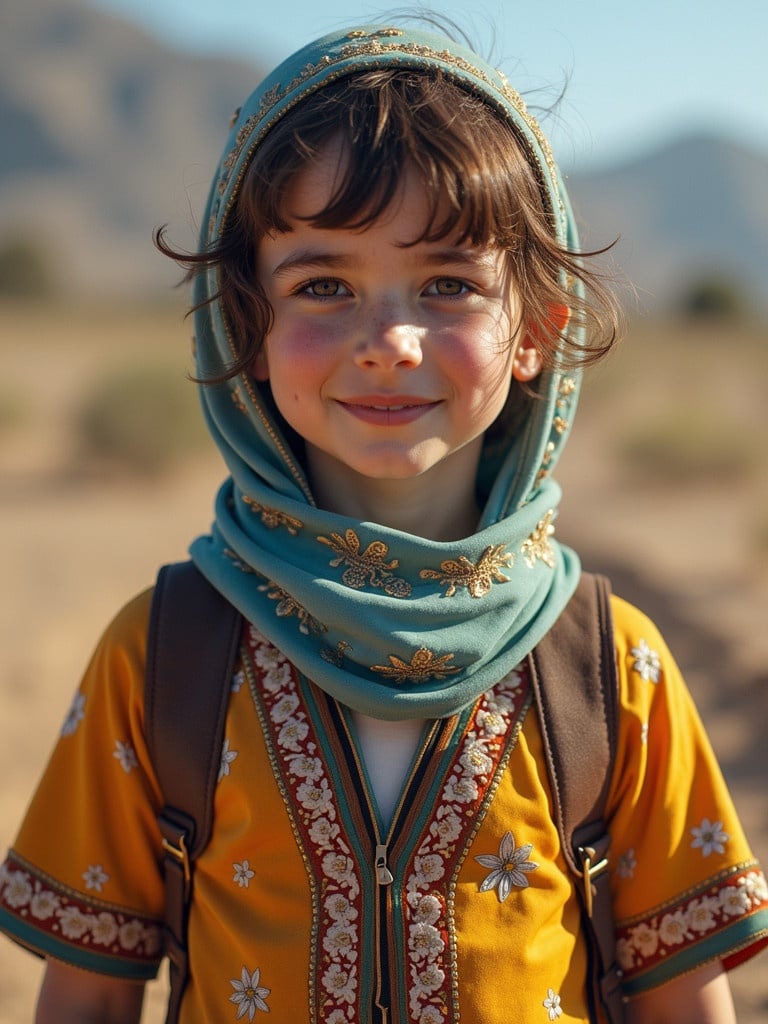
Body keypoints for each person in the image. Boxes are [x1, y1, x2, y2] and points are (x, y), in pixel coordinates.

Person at [0, 22, 766, 1024]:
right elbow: (86, 1001)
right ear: (249, 331)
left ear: (535, 330)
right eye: (324, 285)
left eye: (449, 285)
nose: (390, 341)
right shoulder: (164, 655)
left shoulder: (613, 671)